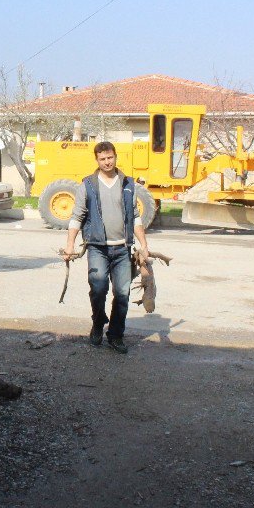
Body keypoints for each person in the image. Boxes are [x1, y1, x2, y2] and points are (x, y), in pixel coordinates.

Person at [62, 141, 149, 354]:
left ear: (115, 157)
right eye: (102, 159)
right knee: (98, 288)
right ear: (97, 160)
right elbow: (77, 216)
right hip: (97, 248)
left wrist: (144, 245)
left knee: (122, 294)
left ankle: (116, 335)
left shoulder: (128, 184)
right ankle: (98, 322)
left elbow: (135, 217)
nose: (107, 162)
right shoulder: (88, 185)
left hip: (122, 249)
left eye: (110, 157)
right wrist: (70, 245)